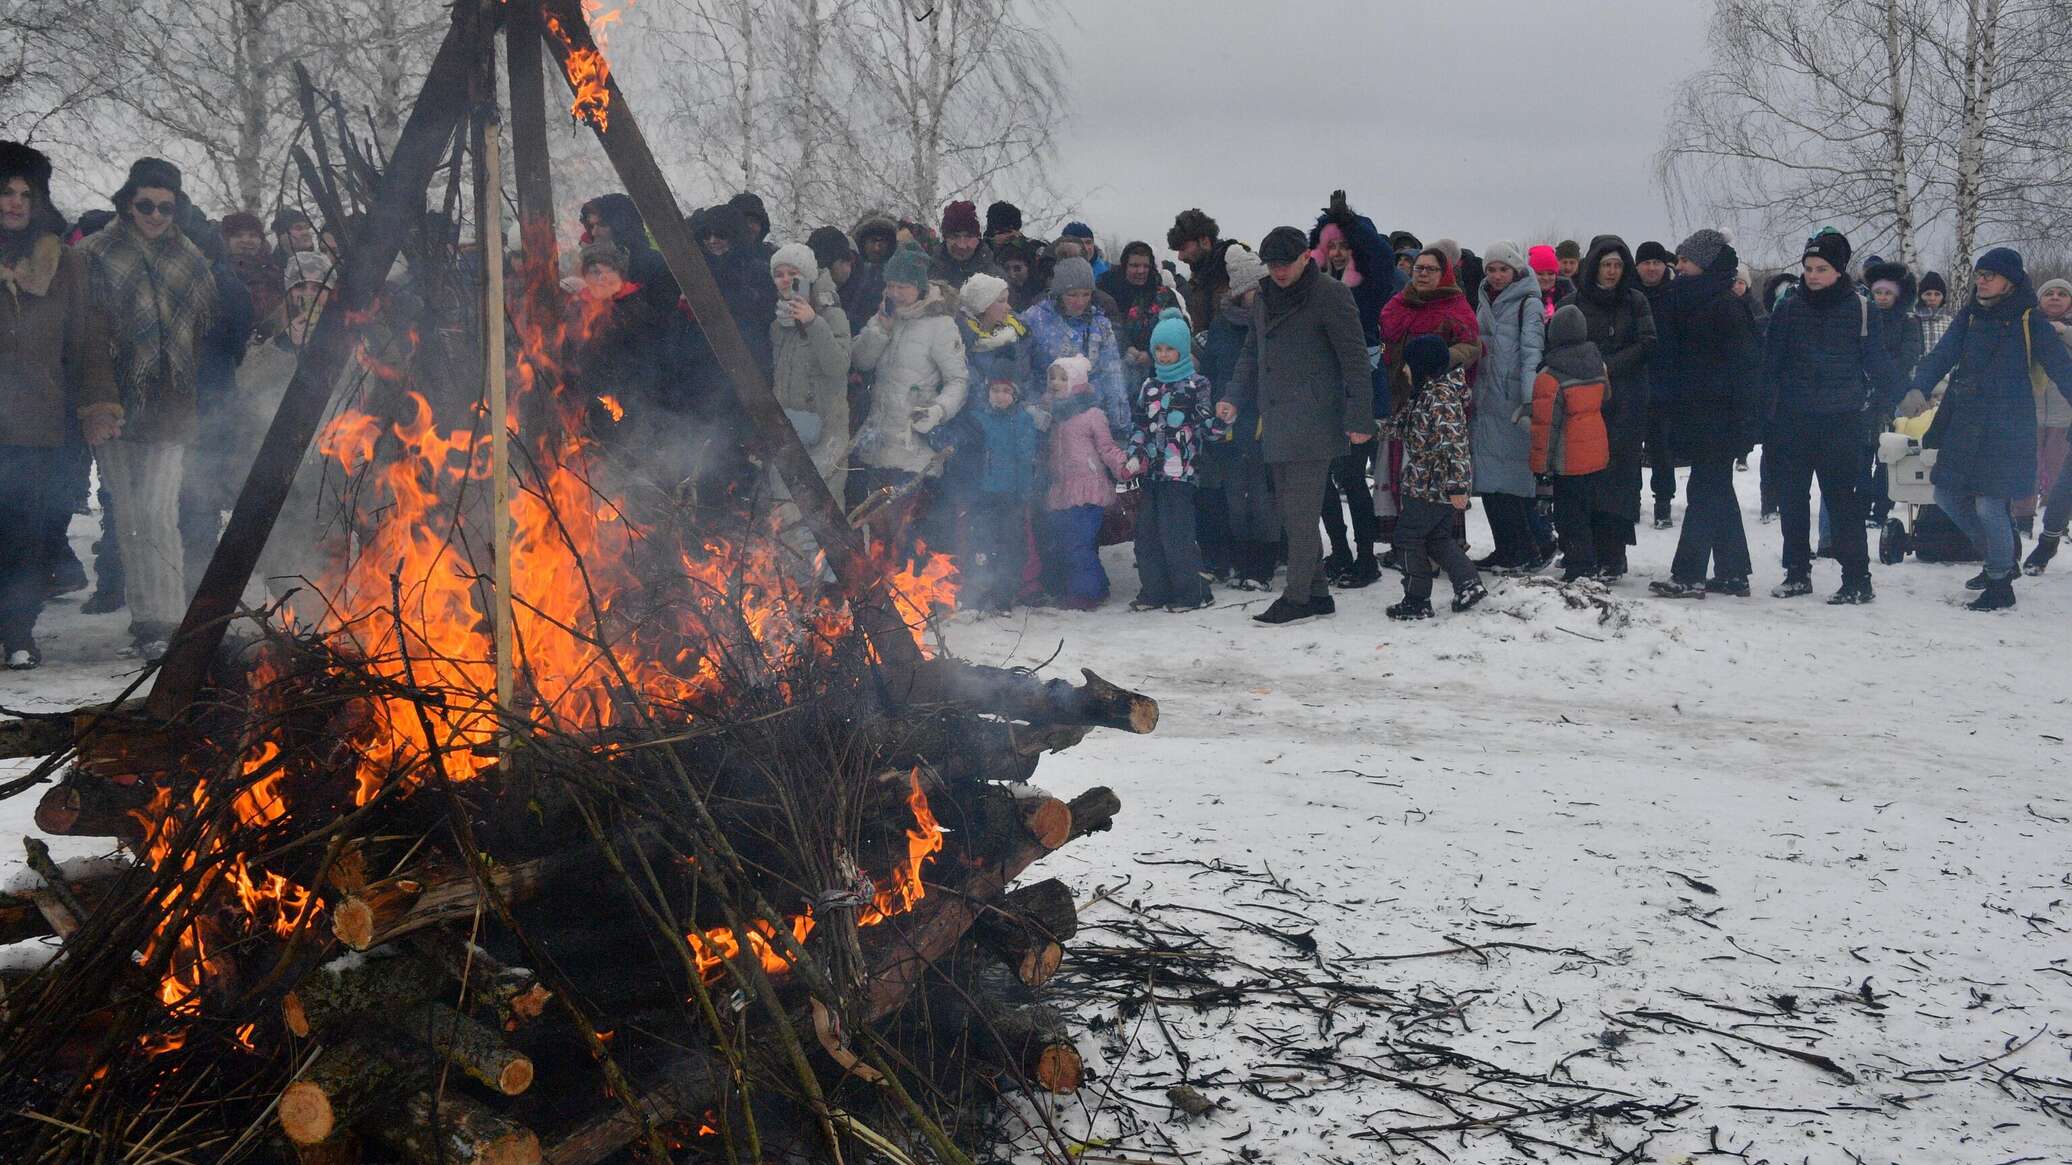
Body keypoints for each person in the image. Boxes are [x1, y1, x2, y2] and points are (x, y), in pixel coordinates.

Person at [76, 158, 218, 660]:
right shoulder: (95, 253)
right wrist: (97, 402)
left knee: (159, 511)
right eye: (146, 205)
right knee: (130, 515)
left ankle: (168, 618)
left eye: (166, 206)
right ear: (127, 201)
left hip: (170, 403)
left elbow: (199, 334)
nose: (156, 215)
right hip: (114, 399)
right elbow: (87, 335)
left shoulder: (191, 258)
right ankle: (146, 619)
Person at [0, 142, 120, 669]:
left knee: (29, 535)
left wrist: (97, 404)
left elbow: (88, 341)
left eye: (26, 193)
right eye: (5, 191)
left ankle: (18, 632)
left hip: (38, 422)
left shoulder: (65, 262)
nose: (15, 203)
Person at [1215, 226, 1371, 626]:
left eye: (1285, 263)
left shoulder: (1331, 295)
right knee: (1290, 511)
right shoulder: (1266, 294)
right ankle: (1317, 593)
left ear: (1307, 257)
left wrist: (1359, 417)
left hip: (1316, 420)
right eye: (1272, 265)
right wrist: (1233, 395)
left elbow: (1355, 360)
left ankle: (1297, 597)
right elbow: (1253, 351)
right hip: (1277, 419)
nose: (1279, 271)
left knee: (1300, 514)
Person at [1906, 247, 2072, 610]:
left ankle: (2000, 583)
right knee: (1946, 495)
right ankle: (2002, 557)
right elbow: (1942, 355)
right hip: (1964, 419)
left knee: (1989, 504)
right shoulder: (1969, 316)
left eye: (1989, 275)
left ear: (2009, 282)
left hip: (2008, 423)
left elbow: (2062, 368)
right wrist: (1919, 387)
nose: (1981, 280)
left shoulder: (2032, 320)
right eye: (1979, 274)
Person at [1759, 230, 1903, 604]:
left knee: (1842, 501)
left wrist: (1896, 397)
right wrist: (1767, 409)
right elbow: (1771, 361)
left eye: (1822, 268)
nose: (1813, 275)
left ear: (1839, 271)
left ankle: (1857, 578)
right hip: (1793, 418)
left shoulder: (1861, 307)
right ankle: (1796, 572)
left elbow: (1876, 360)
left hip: (1841, 419)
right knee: (1792, 498)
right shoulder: (1788, 307)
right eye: (1808, 268)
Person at [1648, 229, 1762, 599]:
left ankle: (1688, 573)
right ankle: (1732, 572)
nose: (1677, 266)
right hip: (1699, 411)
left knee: (1704, 490)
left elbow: (1745, 367)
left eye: (1685, 260)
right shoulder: (1690, 298)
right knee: (1716, 490)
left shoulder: (1725, 305)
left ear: (1706, 262)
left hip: (1721, 415)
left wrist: (1744, 419)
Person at [851, 242, 968, 554]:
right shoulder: (882, 319)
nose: (895, 293)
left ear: (919, 287)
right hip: (878, 442)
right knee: (879, 527)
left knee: (911, 530)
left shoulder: (941, 325)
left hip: (916, 447)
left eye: (903, 286)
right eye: (890, 285)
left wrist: (939, 411)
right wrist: (881, 329)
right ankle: (882, 592)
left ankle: (921, 594)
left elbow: (958, 380)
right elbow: (861, 360)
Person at [1308, 190, 1397, 588]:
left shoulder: (1371, 282)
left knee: (1349, 476)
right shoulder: (1315, 285)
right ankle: (1339, 552)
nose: (1340, 253)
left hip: (1359, 391)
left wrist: (1349, 220)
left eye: (1345, 246)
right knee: (1324, 479)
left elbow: (1379, 253)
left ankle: (1365, 556)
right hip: (1321, 394)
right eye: (1332, 246)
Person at [1562, 236, 1656, 578]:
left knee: (1619, 479)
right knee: (1586, 478)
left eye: (1617, 265)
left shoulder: (1635, 301)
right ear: (1595, 266)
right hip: (1585, 399)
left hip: (1626, 398)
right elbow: (1561, 341)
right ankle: (1584, 549)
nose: (1612, 271)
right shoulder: (1575, 301)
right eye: (1606, 265)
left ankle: (1614, 554)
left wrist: (1611, 366)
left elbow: (1648, 342)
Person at [1378, 246, 1481, 558]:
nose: (1422, 274)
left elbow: (1472, 346)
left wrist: (1439, 361)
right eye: (1418, 268)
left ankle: (1443, 546)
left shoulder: (1455, 305)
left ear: (1444, 273)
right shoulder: (1399, 302)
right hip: (1400, 395)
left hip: (1437, 398)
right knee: (1401, 472)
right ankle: (1404, 545)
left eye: (1429, 269)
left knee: (1437, 472)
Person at [1123, 309, 1225, 612]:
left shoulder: (1197, 385)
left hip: (1181, 474)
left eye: (1170, 350)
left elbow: (1208, 428)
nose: (1164, 356)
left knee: (1176, 534)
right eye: (1159, 350)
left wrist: (1221, 422)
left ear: (1182, 351)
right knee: (1146, 534)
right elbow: (1140, 425)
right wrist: (1134, 455)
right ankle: (1154, 590)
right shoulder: (1150, 386)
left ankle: (1190, 593)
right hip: (1152, 473)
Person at [1379, 335, 1486, 619]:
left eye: (1408, 365)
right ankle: (1468, 583)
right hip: (1428, 484)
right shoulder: (1427, 394)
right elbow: (1401, 426)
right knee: (1438, 539)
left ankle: (1417, 598)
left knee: (1406, 538)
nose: (1404, 370)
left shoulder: (1439, 398)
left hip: (1430, 486)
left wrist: (1458, 486)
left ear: (1423, 366)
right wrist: (1369, 428)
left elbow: (1455, 446)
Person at [1200, 246, 1272, 590]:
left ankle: (1261, 564)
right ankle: (1233, 559)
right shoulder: (1221, 326)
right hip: (1228, 418)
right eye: (1252, 290)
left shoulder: (1274, 321)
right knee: (1232, 497)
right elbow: (1214, 371)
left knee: (1261, 497)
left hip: (1263, 419)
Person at [1470, 240, 1543, 572]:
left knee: (1509, 481)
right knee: (1488, 480)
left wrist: (1529, 400)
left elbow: (1532, 352)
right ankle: (1505, 549)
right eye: (1492, 269)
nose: (1497, 275)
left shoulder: (1528, 302)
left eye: (1503, 269)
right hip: (1485, 399)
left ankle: (1524, 550)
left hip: (1512, 402)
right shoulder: (1484, 299)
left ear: (1516, 270)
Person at [1531, 306, 1613, 581]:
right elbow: (1606, 399)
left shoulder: (1549, 377)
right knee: (1588, 511)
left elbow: (1545, 429)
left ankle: (1580, 567)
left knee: (1569, 516)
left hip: (1568, 458)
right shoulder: (1597, 365)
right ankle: (1590, 560)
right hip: (1596, 452)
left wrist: (1540, 467)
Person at [769, 241, 852, 498]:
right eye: (779, 275)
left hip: (827, 434)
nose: (785, 280)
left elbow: (838, 367)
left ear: (808, 278)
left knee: (822, 513)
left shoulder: (832, 316)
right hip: (788, 433)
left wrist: (813, 323)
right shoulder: (778, 324)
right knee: (784, 512)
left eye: (793, 275)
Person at [1043, 355, 1126, 609]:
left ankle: (1087, 594)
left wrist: (1123, 467)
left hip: (1089, 488)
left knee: (1080, 543)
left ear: (1077, 382)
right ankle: (1096, 585)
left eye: (1063, 378)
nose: (1056, 383)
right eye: (1053, 377)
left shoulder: (1092, 414)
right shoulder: (1053, 415)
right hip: (1064, 489)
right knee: (1068, 541)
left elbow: (1106, 447)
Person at [959, 376, 1041, 613]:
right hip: (982, 493)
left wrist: (1025, 494)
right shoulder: (978, 419)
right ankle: (977, 594)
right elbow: (969, 457)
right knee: (980, 543)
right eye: (995, 390)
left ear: (1015, 395)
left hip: (1010, 494)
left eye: (1006, 391)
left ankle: (1004, 595)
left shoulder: (1022, 420)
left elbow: (1025, 460)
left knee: (1010, 546)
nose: (1000, 396)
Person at [1023, 256, 1128, 435]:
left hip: (1088, 417)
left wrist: (1119, 425)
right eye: (1072, 295)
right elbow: (1023, 368)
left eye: (1086, 294)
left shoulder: (1100, 325)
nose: (1080, 302)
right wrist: (1035, 404)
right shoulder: (1035, 319)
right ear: (1058, 293)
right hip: (1044, 418)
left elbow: (1112, 375)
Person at [1634, 240, 1682, 529]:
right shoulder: (1628, 295)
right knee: (1628, 448)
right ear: (1637, 266)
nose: (1651, 268)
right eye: (1646, 263)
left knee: (1661, 448)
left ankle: (1663, 501)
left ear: (1665, 266)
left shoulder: (1675, 295)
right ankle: (1630, 501)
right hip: (1633, 381)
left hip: (1664, 384)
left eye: (1656, 263)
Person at [581, 193, 680, 319]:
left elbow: (665, 318)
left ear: (621, 226)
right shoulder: (595, 267)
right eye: (591, 226)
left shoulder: (654, 264)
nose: (594, 232)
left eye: (602, 225)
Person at [1098, 241, 1180, 382]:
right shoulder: (1107, 289)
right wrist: (1126, 348)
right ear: (1124, 266)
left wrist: (1151, 354)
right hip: (1112, 369)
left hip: (1157, 370)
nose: (1141, 271)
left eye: (1146, 266)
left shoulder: (1163, 296)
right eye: (1135, 266)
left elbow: (1177, 330)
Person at [1169, 208, 1237, 332]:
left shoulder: (1235, 269)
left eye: (1183, 248)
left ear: (1204, 241)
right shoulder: (1198, 278)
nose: (1180, 257)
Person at [220, 211, 283, 329]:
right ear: (228, 241)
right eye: (238, 235)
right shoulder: (220, 273)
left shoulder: (274, 272)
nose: (246, 240)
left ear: (261, 240)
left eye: (253, 235)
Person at [930, 199, 1001, 290]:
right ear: (945, 238)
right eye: (955, 237)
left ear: (978, 239)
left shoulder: (996, 279)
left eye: (969, 237)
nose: (962, 245)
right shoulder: (928, 274)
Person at [1527, 245, 1568, 319]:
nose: (1546, 278)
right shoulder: (1521, 297)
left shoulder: (1568, 296)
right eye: (1540, 274)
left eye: (1550, 273)